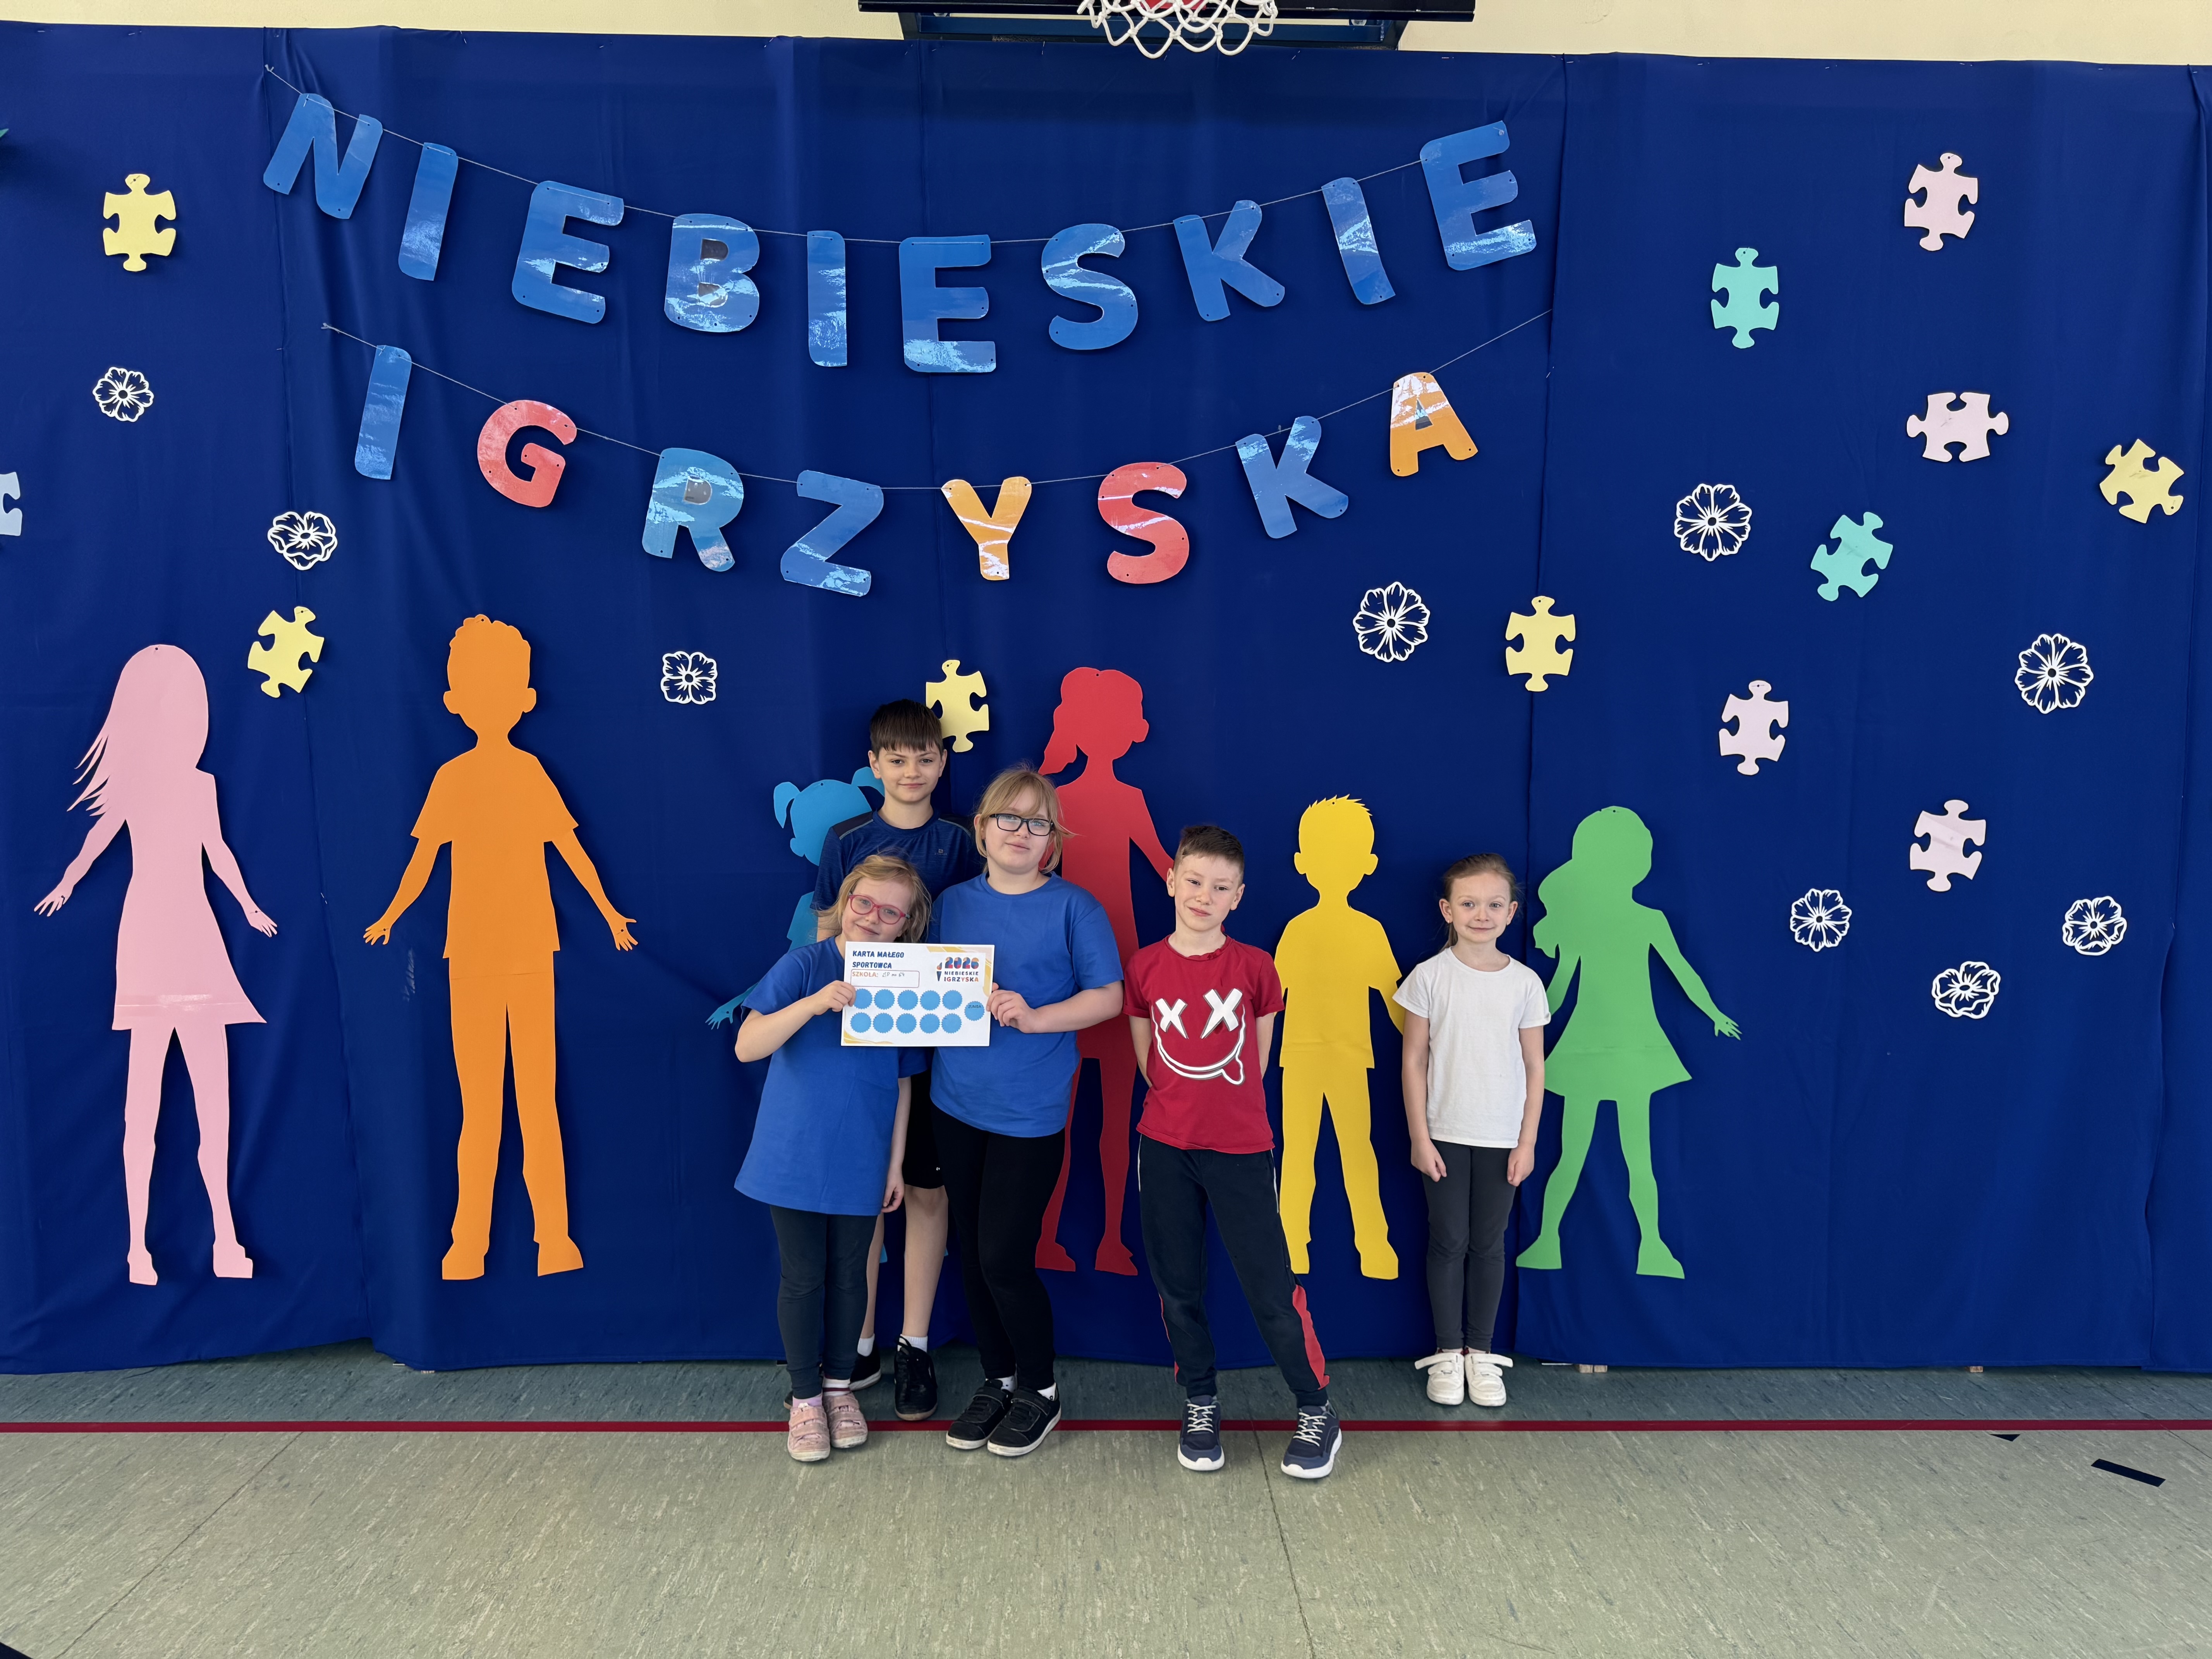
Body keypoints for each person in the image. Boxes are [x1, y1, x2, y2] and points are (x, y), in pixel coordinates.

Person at [366, 616, 636, 1281]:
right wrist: (392, 914)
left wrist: (608, 911)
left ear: (526, 700)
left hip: (529, 951)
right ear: (454, 702)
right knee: (483, 1105)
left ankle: (553, 1238)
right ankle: (469, 1242)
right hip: (473, 956)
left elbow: (570, 850)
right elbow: (423, 861)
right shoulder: (452, 777)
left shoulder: (528, 772)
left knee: (533, 1098)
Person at [35, 644, 276, 1286]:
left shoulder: (201, 785)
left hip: (194, 941)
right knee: (142, 1107)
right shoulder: (137, 786)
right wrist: (68, 881)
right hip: (149, 943)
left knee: (212, 1102)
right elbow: (97, 841)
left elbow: (217, 850)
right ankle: (138, 1247)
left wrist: (248, 904)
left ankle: (225, 1234)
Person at [1127, 824, 1341, 1480]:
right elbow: (1149, 1063)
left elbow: (1257, 1060)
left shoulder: (1256, 967)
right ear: (1171, 881)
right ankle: (1200, 1399)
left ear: (1238, 896)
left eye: (1220, 887)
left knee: (1270, 1286)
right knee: (1177, 1286)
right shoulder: (1144, 967)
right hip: (1164, 1147)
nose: (1204, 895)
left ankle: (1316, 1406)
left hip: (1242, 1149)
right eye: (1194, 881)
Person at [930, 767, 1122, 1458]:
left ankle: (1040, 1388)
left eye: (1038, 823)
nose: (1021, 832)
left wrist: (1037, 1017)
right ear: (981, 830)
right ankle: (998, 1376)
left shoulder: (1075, 908)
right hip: (953, 1103)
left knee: (1004, 1256)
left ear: (1053, 840)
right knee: (970, 1253)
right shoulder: (949, 903)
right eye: (1008, 819)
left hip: (1030, 1112)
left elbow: (1108, 996)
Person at [807, 699, 983, 1419]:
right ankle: (861, 1341)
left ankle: (916, 1343)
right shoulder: (846, 839)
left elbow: (982, 927)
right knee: (867, 1193)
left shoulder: (963, 839)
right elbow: (826, 933)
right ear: (874, 764)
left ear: (943, 763)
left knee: (926, 1191)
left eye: (926, 757)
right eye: (898, 758)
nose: (912, 771)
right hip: (864, 1048)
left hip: (941, 1048)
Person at [733, 854, 926, 1463]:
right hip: (794, 1151)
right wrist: (814, 1004)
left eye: (890, 912)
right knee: (803, 1275)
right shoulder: (805, 965)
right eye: (864, 903)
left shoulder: (906, 981)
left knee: (851, 1274)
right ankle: (805, 1398)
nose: (872, 918)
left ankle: (841, 1389)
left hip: (863, 1156)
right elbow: (747, 1045)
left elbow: (903, 1081)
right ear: (845, 902)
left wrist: (895, 1163)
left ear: (907, 925)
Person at [1516, 806, 1740, 1279]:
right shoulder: (1625, 921)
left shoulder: (1637, 921)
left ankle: (1626, 1245)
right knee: (1623, 1159)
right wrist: (1520, 1026)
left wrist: (1714, 1013)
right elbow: (1558, 991)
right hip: (1606, 1053)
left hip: (1620, 1053)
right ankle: (1578, 1242)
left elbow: (1681, 974)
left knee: (1595, 1157)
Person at [1397, 855, 1548, 1408]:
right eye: (1468, 904)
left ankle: (1481, 1354)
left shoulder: (1525, 984)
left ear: (1511, 912)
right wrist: (1420, 1137)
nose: (1480, 914)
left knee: (1488, 1244)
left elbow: (1535, 1067)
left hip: (1502, 1138)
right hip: (1444, 1133)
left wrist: (1527, 1142)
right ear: (1448, 910)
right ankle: (1447, 1354)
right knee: (1448, 1240)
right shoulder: (1429, 977)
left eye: (1493, 905)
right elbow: (1413, 1060)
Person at [1037, 668, 1173, 1276]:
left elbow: (1167, 870)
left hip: (1120, 981)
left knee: (1108, 1120)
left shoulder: (1124, 800)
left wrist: (1208, 890)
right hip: (1069, 978)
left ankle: (1110, 1241)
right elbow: (1033, 875)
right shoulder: (1058, 804)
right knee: (1070, 1122)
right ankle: (1059, 1240)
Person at [1273, 796, 1404, 1279]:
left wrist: (1431, 1047)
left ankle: (1373, 1244)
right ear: (1302, 863)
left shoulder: (1369, 932)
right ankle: (1291, 1243)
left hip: (1348, 1060)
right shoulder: (1297, 931)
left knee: (1356, 1153)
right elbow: (1269, 1002)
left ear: (1367, 865)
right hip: (1301, 1060)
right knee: (1301, 1153)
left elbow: (1395, 1000)